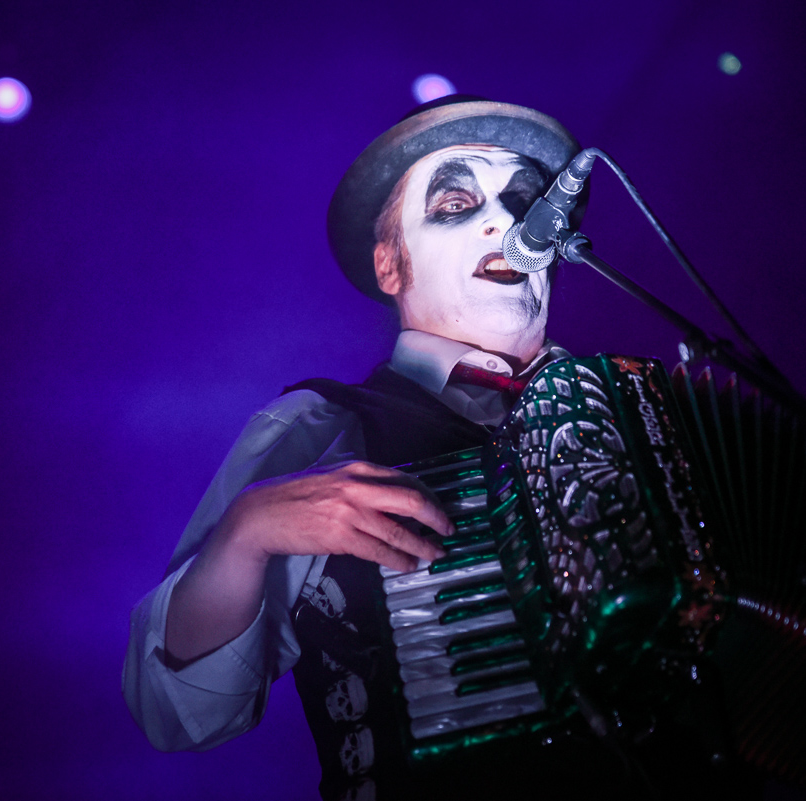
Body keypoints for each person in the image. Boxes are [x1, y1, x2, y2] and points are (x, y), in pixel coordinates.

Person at [124, 97, 716, 800]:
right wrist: (245, 530)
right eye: (456, 204)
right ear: (390, 265)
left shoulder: (651, 416)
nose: (506, 222)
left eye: (525, 202)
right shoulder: (317, 428)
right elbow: (172, 714)